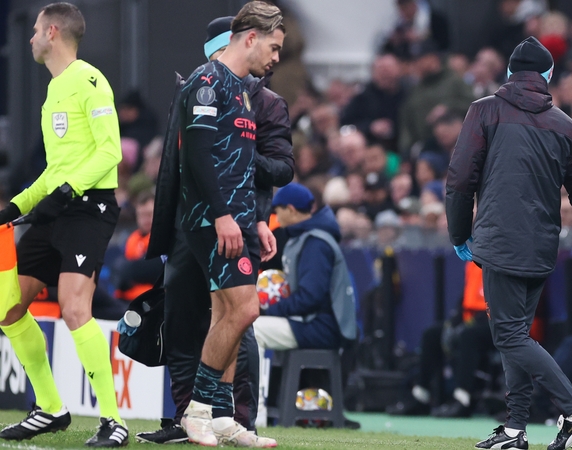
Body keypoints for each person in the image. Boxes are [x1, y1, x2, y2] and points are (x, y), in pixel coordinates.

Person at [138, 10, 294, 447]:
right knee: (245, 310)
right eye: (274, 46)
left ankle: (222, 416)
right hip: (213, 220)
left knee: (228, 314)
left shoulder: (242, 93)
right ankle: (200, 411)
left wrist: (256, 218)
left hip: (238, 218)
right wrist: (224, 215)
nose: (277, 57)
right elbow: (200, 157)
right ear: (249, 38)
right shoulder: (207, 81)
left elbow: (243, 164)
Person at [446, 36, 572, 450]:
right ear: (549, 76)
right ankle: (515, 429)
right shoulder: (566, 126)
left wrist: (460, 233)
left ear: (510, 73)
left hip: (499, 239)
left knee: (510, 336)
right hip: (541, 244)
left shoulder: (484, 111)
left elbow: (461, 181)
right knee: (514, 334)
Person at [0, 2, 127, 446]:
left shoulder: (90, 80)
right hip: (58, 208)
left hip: (87, 208)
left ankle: (113, 421)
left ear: (52, 32)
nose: (31, 38)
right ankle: (51, 409)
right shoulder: (54, 90)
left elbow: (111, 152)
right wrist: (14, 208)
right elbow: (54, 172)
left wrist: (68, 191)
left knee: (75, 308)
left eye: (35, 30)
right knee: (9, 308)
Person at [252, 183, 356, 351]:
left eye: (278, 211)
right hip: (311, 320)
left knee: (253, 331)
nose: (276, 218)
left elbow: (310, 297)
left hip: (323, 325)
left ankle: (255, 379)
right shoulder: (303, 237)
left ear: (291, 210)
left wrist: (269, 311)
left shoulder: (316, 243)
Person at [386, 261, 492, 418]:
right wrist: (455, 321)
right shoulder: (473, 263)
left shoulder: (502, 259)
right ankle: (421, 396)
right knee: (432, 334)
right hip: (471, 320)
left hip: (497, 324)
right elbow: (467, 296)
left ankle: (463, 399)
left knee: (467, 336)